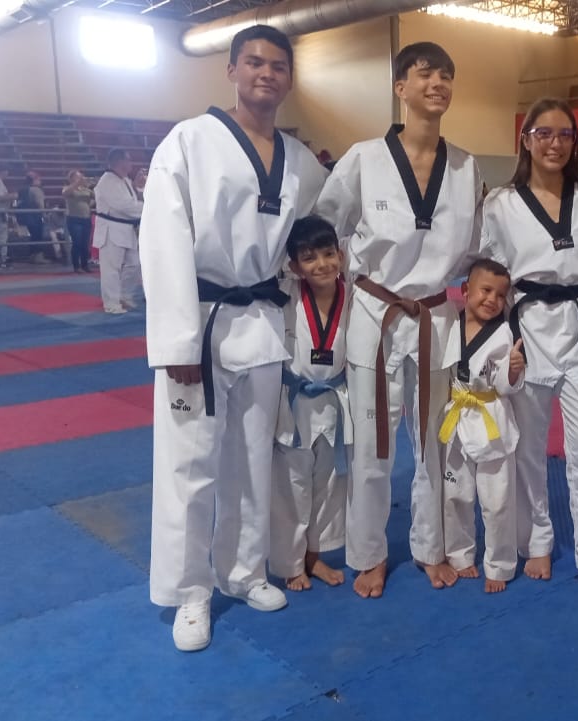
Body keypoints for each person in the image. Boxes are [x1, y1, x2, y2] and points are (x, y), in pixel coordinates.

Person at [140, 24, 329, 652]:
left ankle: (244, 572)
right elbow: (162, 242)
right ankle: (189, 592)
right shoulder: (188, 141)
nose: (266, 74)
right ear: (231, 70)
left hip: (263, 324)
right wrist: (177, 343)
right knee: (190, 465)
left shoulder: (300, 160)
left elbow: (319, 234)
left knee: (253, 460)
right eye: (253, 62)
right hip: (202, 319)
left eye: (278, 65)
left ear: (290, 78)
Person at [316, 41, 483, 599]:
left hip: (436, 315)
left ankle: (431, 548)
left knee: (436, 441)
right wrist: (338, 288)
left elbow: (473, 246)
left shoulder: (466, 166)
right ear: (400, 87)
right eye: (425, 73)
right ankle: (368, 554)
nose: (438, 83)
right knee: (372, 445)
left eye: (447, 75)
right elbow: (325, 229)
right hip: (376, 313)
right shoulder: (362, 159)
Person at [481, 97, 578, 598]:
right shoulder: (500, 203)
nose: (555, 143)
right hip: (528, 329)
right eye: (543, 133)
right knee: (528, 447)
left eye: (565, 134)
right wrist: (496, 341)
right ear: (525, 140)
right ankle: (536, 539)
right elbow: (490, 274)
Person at [271, 215, 352, 593]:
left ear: (340, 255)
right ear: (294, 265)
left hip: (334, 400)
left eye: (328, 253)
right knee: (292, 484)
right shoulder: (286, 294)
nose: (322, 264)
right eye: (309, 258)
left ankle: (315, 554)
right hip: (295, 402)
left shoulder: (352, 296)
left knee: (329, 482)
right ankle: (290, 562)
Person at [439, 259, 525, 593]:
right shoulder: (452, 323)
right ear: (465, 290)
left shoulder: (504, 333)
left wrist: (513, 369)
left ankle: (499, 564)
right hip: (457, 417)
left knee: (498, 501)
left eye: (501, 295)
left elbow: (504, 385)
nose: (492, 300)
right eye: (485, 290)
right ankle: (460, 555)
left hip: (492, 420)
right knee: (454, 495)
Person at [94, 149, 144, 314]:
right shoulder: (107, 181)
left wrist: (138, 188)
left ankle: (124, 295)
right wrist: (149, 208)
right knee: (111, 269)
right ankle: (111, 303)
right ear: (120, 162)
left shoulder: (125, 180)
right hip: (111, 229)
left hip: (127, 228)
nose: (131, 163)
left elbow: (132, 201)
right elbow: (124, 206)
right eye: (128, 160)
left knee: (135, 264)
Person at [63, 170, 94, 273]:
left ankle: (85, 265)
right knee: (77, 242)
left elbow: (97, 197)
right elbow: (65, 193)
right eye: (78, 176)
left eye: (81, 176)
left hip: (86, 219)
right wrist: (77, 183)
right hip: (74, 219)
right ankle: (76, 266)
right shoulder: (68, 188)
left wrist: (95, 185)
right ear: (71, 178)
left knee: (85, 243)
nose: (81, 178)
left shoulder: (86, 190)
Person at [18, 172, 46, 258]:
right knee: (38, 236)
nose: (40, 181)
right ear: (34, 180)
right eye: (38, 179)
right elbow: (40, 204)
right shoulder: (36, 190)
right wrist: (44, 214)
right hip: (36, 216)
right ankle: (38, 257)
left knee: (33, 236)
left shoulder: (23, 189)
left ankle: (33, 255)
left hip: (26, 216)